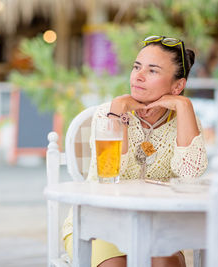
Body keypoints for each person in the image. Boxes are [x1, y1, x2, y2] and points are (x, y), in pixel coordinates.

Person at [62, 35, 208, 267]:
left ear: (177, 85)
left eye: (152, 71)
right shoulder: (108, 113)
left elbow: (190, 175)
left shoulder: (185, 120)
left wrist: (184, 105)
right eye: (136, 67)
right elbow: (110, 175)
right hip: (99, 222)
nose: (138, 76)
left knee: (165, 263)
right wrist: (117, 114)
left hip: (157, 226)